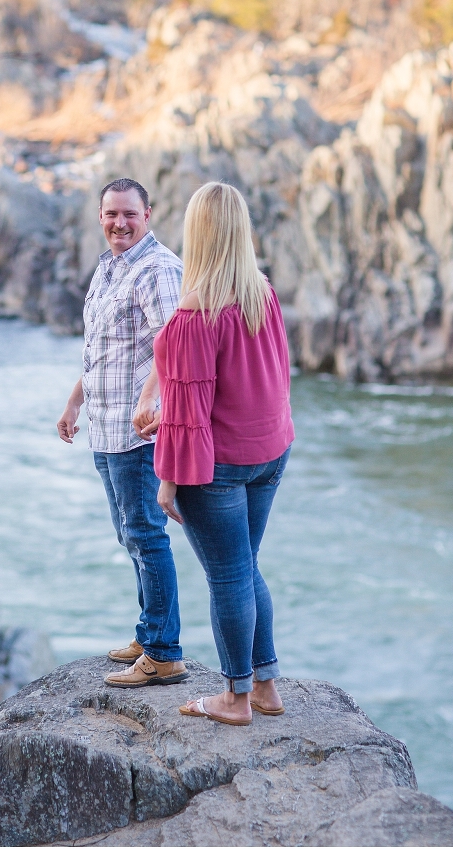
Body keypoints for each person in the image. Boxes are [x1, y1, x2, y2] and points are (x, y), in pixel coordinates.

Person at [135, 181, 294, 725]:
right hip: (270, 452)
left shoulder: (191, 320)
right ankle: (267, 686)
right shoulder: (263, 294)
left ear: (197, 234)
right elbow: (257, 381)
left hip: (219, 466)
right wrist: (171, 412)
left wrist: (167, 480)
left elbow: (190, 412)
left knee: (228, 576)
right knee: (245, 567)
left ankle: (235, 697)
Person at [57, 177, 189, 688]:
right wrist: (74, 402)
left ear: (148, 214)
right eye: (111, 214)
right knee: (129, 535)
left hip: (139, 432)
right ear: (100, 216)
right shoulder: (110, 267)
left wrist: (150, 398)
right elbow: (102, 352)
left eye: (129, 214)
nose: (119, 223)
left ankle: (163, 651)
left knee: (146, 536)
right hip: (104, 426)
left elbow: (171, 345)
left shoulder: (157, 270)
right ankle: (149, 632)